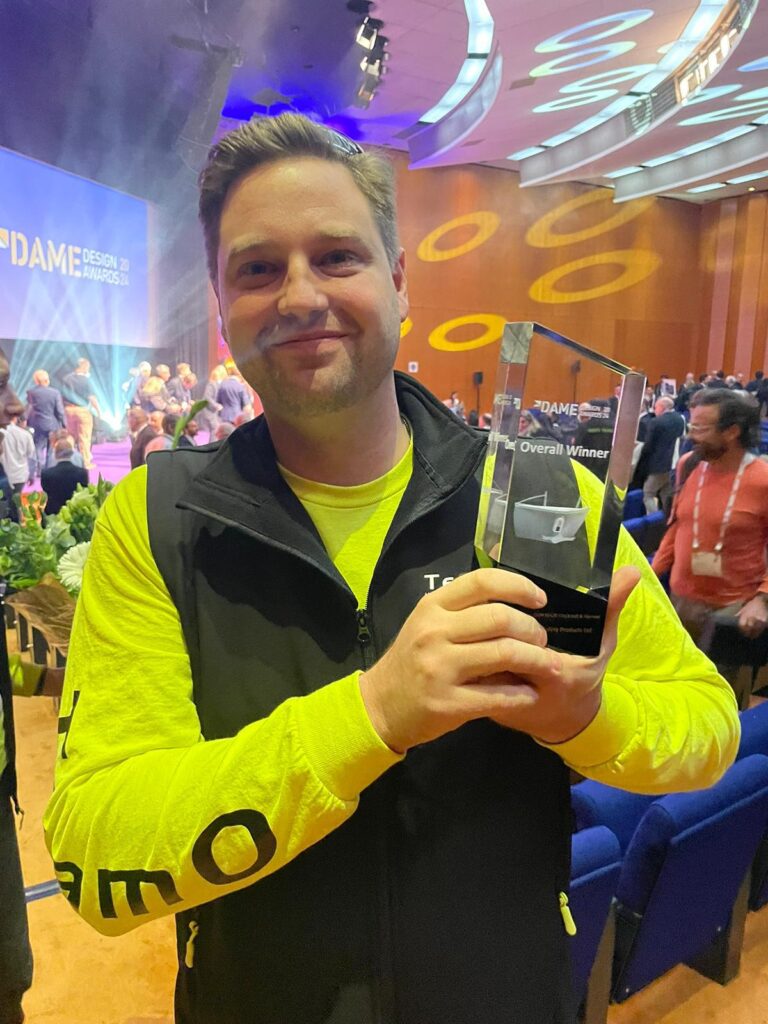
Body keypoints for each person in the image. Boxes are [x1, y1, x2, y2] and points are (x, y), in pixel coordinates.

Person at [44, 114, 740, 1024]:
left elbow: (709, 726)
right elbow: (98, 849)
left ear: (401, 283)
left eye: (337, 257)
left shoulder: (545, 494)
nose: (298, 294)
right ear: (220, 308)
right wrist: (370, 716)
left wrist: (588, 719)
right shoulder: (162, 521)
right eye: (257, 268)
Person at [653, 389, 768, 708]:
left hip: (731, 610)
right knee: (676, 690)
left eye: (700, 429)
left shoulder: (762, 479)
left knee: (714, 703)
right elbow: (677, 528)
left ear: (731, 432)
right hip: (682, 602)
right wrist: (648, 576)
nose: (690, 436)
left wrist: (762, 600)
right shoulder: (689, 465)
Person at [640, 396, 685, 514]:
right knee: (665, 493)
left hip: (658, 465)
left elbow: (648, 446)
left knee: (648, 494)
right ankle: (666, 518)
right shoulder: (680, 419)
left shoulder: (656, 422)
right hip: (673, 464)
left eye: (656, 407)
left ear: (661, 407)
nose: (654, 410)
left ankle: (654, 522)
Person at [61, 359, 100, 470]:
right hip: (82, 411)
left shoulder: (66, 379)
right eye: (87, 366)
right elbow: (91, 397)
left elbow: (62, 395)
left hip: (68, 410)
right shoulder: (86, 380)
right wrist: (98, 411)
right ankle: (85, 463)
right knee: (84, 437)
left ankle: (67, 460)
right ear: (83, 366)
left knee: (70, 436)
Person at [25, 369, 66, 472]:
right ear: (47, 380)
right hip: (53, 425)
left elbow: (29, 408)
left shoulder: (31, 392)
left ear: (36, 381)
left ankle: (39, 469)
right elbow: (60, 411)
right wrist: (64, 424)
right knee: (51, 448)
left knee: (38, 446)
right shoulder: (55, 393)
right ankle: (48, 469)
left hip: (37, 424)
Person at [0, 406, 35, 520]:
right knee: (16, 502)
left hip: (4, 474)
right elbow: (31, 456)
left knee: (5, 503)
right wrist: (32, 474)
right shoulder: (25, 434)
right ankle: (17, 523)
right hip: (20, 475)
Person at [40, 439, 90, 516]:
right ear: (72, 453)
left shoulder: (46, 474)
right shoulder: (82, 473)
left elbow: (46, 489)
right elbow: (84, 489)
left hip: (53, 511)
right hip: (75, 512)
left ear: (55, 454)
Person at [196, 365, 226, 442]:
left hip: (212, 412)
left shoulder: (216, 384)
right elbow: (207, 397)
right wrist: (216, 405)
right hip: (209, 412)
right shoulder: (212, 384)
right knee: (215, 430)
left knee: (215, 429)